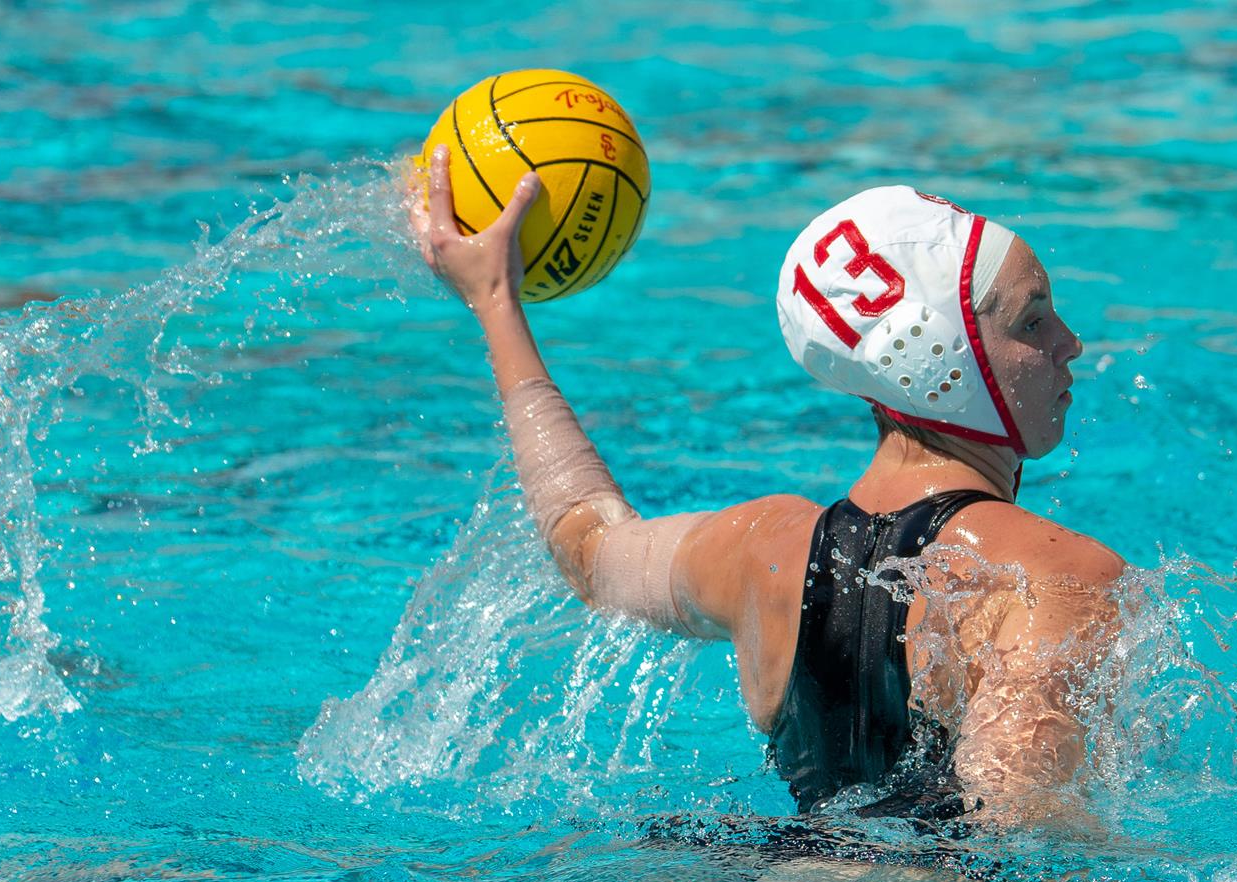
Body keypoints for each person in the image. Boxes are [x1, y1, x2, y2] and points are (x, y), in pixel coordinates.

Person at [417, 147, 1122, 824]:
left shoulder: (760, 550)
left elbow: (587, 545)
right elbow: (1018, 841)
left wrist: (495, 301)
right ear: (933, 357)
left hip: (758, 878)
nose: (1070, 343)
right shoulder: (1054, 576)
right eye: (1033, 321)